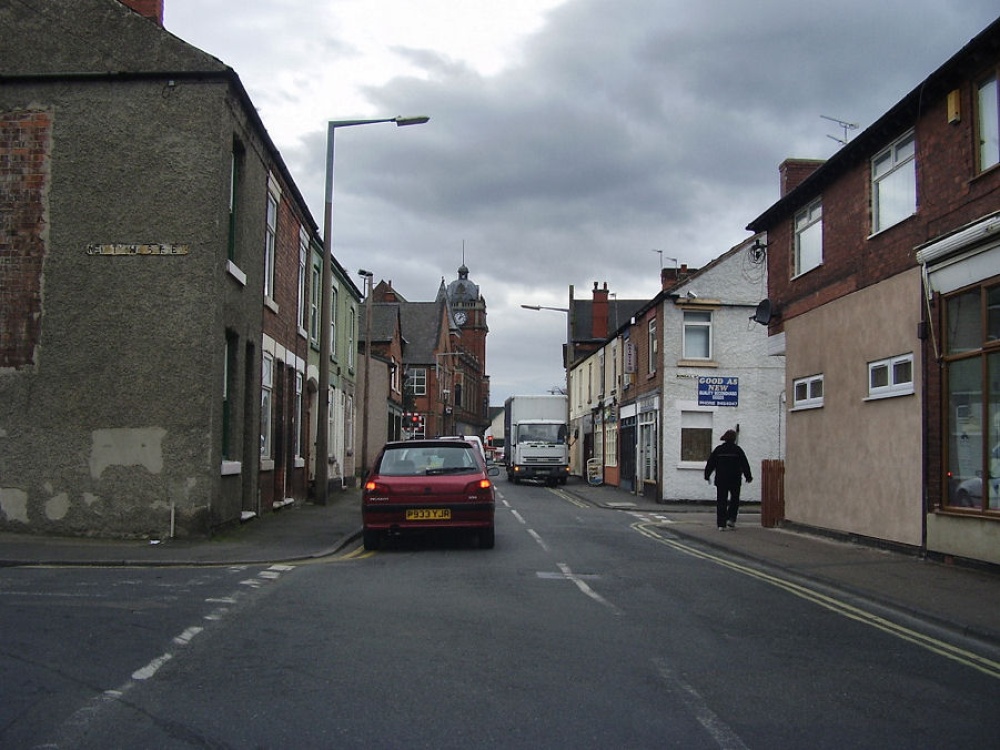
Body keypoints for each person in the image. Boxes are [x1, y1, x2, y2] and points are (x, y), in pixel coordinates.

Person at [704, 429, 752, 530]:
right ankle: (731, 519)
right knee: (734, 500)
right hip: (735, 479)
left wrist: (707, 475)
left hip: (721, 479)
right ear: (734, 439)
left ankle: (721, 524)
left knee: (721, 501)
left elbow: (711, 463)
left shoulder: (719, 450)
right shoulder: (737, 450)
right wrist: (748, 476)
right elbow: (744, 464)